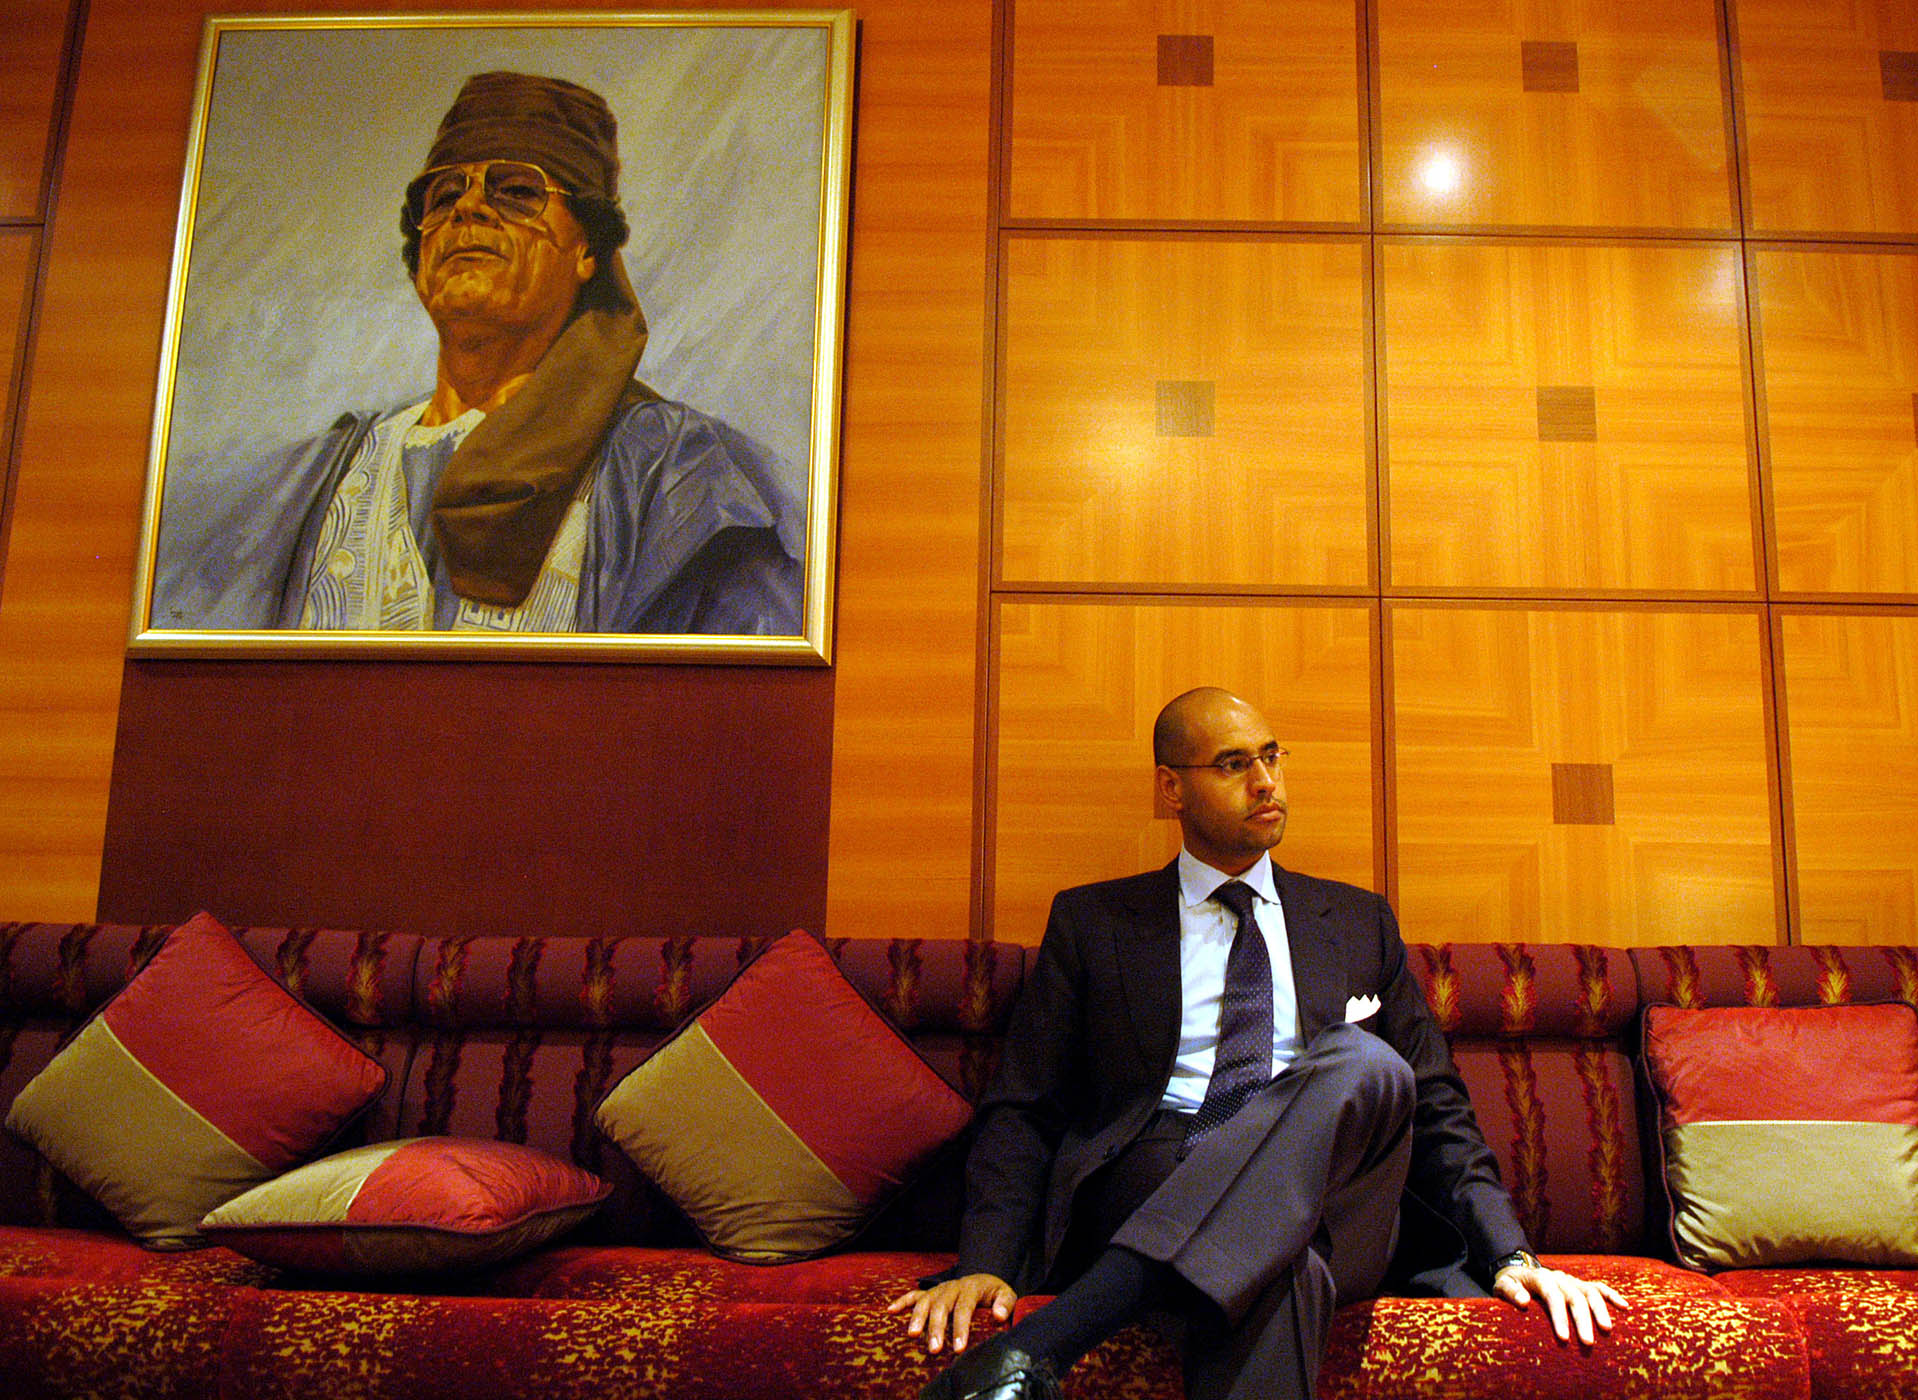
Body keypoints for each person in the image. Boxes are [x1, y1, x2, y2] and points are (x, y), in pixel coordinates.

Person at [889, 687, 1628, 1400]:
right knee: (1281, 1269)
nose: (1267, 781)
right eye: (1234, 764)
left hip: (1344, 1194)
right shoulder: (1095, 923)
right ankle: (1030, 1351)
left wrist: (1509, 1249)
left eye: (1272, 757)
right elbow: (1024, 1104)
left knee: (1367, 1061)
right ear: (1171, 789)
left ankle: (1033, 1352)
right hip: (1159, 1174)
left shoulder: (1357, 921)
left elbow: (1435, 1104)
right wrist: (986, 1262)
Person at [152, 71, 800, 636]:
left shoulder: (676, 475)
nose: (468, 208)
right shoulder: (314, 481)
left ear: (588, 250)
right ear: (419, 260)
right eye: (443, 196)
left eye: (514, 190)